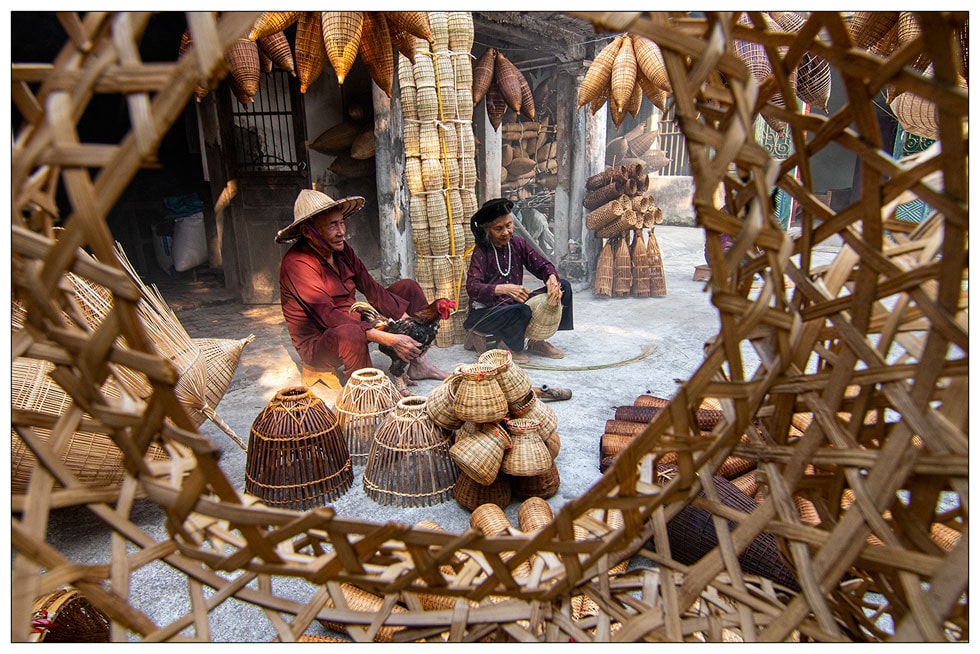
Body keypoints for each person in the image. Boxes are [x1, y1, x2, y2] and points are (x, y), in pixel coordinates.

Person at [278, 189, 449, 390]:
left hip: (352, 320)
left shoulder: (341, 249)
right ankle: (367, 392)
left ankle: (418, 364)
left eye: (341, 222)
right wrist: (391, 338)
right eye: (332, 225)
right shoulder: (297, 263)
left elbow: (370, 287)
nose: (341, 231)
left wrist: (405, 322)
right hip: (322, 341)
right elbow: (330, 317)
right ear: (308, 232)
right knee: (351, 332)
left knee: (408, 288)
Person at [463, 198, 573, 363]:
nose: (506, 232)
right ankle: (507, 344)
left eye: (509, 225)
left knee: (563, 287)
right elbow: (473, 287)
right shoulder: (482, 251)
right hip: (487, 313)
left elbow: (542, 264)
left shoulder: (517, 244)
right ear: (487, 230)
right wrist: (504, 289)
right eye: (498, 228)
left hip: (515, 305)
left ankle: (537, 341)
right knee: (522, 310)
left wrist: (551, 278)